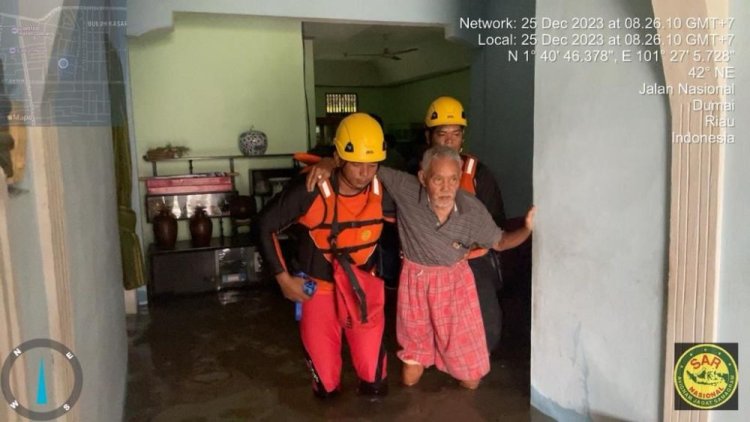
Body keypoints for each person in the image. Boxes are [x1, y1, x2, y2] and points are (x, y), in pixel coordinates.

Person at [306, 146, 535, 389]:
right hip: (416, 283)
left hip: (455, 286)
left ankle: (450, 358)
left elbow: (500, 242)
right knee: (411, 374)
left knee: (471, 382)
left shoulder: (472, 209)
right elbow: (366, 169)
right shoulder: (407, 189)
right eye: (438, 180)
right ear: (423, 177)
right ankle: (424, 358)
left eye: (453, 180)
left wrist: (526, 229)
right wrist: (330, 163)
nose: (447, 189)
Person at [257, 113, 394, 398]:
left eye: (372, 165)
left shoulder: (386, 191)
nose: (364, 173)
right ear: (339, 157)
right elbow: (264, 224)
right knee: (327, 388)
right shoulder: (310, 189)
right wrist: (283, 280)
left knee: (375, 384)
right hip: (318, 292)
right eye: (356, 164)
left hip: (361, 291)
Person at [416, 96, 508, 354]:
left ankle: (476, 363)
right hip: (430, 263)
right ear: (428, 136)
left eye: (455, 134)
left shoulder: (479, 175)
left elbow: (495, 224)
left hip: (472, 260)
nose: (448, 141)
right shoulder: (415, 174)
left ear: (462, 138)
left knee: (486, 328)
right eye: (442, 134)